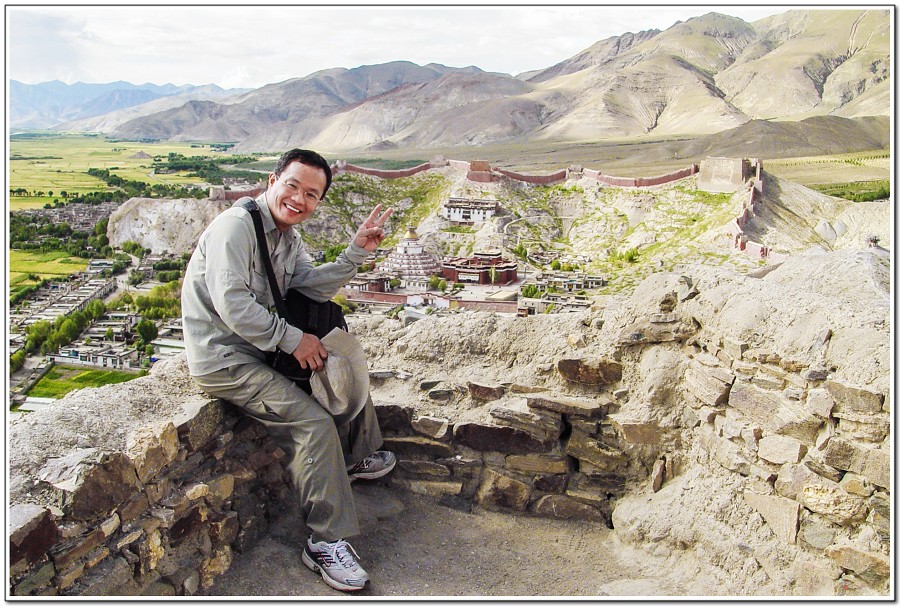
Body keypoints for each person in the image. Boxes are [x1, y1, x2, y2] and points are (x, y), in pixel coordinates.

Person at [181, 148, 395, 592]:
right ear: (271, 180)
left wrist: (355, 253)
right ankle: (324, 541)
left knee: (342, 368)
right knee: (312, 423)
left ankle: (354, 459)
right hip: (226, 358)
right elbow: (233, 305)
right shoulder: (236, 228)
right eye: (292, 186)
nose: (299, 199)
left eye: (311, 194)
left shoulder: (286, 237)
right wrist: (293, 339)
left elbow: (309, 287)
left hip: (260, 348)